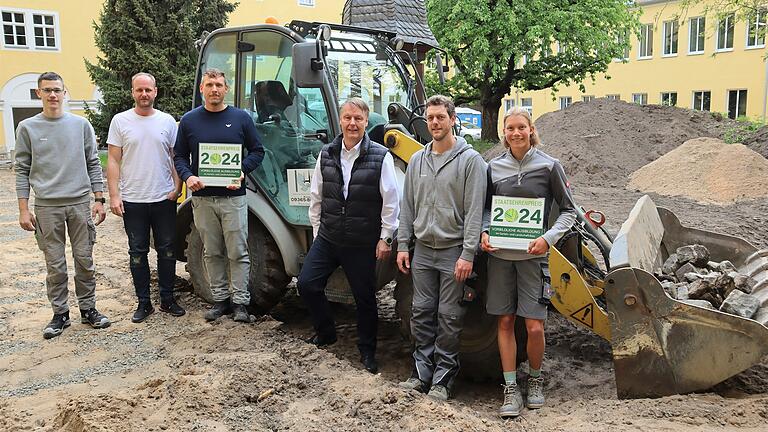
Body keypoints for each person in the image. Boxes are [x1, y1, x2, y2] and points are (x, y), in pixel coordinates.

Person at [480, 107, 576, 417]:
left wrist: (547, 239)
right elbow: (484, 208)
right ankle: (510, 388)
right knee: (505, 321)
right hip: (500, 258)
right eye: (510, 128)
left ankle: (535, 380)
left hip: (534, 258)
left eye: (522, 127)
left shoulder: (550, 167)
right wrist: (484, 231)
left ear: (531, 130)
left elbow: (569, 211)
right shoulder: (492, 168)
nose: (516, 133)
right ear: (503, 133)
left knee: (534, 327)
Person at [296, 98, 399, 374]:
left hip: (362, 241)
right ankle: (326, 331)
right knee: (307, 284)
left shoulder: (380, 156)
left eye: (358, 118)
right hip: (329, 238)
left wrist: (385, 236)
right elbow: (316, 197)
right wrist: (318, 233)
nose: (352, 123)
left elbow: (391, 200)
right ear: (340, 121)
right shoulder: (326, 153)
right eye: (347, 118)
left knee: (364, 299)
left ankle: (367, 351)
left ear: (366, 122)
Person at [396, 95, 487, 400]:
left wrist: (467, 254)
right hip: (423, 249)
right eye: (430, 117)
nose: (434, 122)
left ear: (452, 119)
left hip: (453, 250)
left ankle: (443, 379)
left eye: (440, 117)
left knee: (449, 316)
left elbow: (475, 212)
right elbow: (407, 207)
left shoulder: (471, 161)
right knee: (420, 312)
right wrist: (403, 245)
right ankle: (421, 373)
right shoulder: (418, 161)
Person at [15, 71, 111, 339]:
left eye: (57, 90)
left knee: (84, 259)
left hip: (80, 204)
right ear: (39, 93)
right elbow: (22, 169)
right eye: (47, 90)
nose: (53, 95)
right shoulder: (28, 128)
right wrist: (24, 208)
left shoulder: (80, 126)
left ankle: (89, 309)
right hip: (47, 208)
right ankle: (60, 314)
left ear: (64, 92)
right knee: (55, 264)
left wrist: (99, 199)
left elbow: (94, 163)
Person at [174, 68, 265, 323]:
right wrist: (188, 176)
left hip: (234, 198)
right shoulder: (190, 120)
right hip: (202, 199)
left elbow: (257, 151)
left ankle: (240, 303)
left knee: (238, 251)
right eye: (210, 84)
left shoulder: (241, 119)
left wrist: (242, 171)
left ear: (226, 89)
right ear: (202, 89)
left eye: (219, 85)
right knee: (212, 252)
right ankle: (220, 300)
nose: (214, 89)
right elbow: (179, 155)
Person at [106, 72, 185, 323]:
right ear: (132, 92)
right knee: (137, 252)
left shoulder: (167, 121)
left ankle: (167, 299)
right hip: (133, 199)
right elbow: (114, 160)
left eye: (148, 90)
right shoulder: (120, 121)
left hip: (163, 197)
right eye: (139, 90)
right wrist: (114, 195)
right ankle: (143, 303)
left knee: (167, 251)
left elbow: (175, 157)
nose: (144, 94)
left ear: (155, 92)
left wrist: (178, 186)